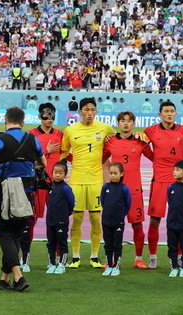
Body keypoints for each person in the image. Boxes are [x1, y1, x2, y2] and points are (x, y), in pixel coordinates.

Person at [0, 106, 46, 292]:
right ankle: (3, 279)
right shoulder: (33, 139)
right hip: (28, 191)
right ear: (23, 123)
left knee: (4, 234)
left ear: (6, 122)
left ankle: (18, 276)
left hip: (5, 191)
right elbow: (43, 162)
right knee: (15, 235)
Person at [61, 97, 116, 269]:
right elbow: (63, 153)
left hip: (95, 181)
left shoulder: (104, 128)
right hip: (76, 181)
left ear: (96, 111)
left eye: (92, 109)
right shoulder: (70, 130)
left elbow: (118, 141)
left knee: (95, 218)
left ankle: (94, 257)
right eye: (86, 109)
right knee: (76, 219)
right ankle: (76, 257)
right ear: (80, 112)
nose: (89, 113)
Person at [144, 101, 183, 268]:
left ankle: (180, 256)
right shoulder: (150, 131)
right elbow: (142, 146)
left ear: (175, 114)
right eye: (166, 111)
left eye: (172, 111)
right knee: (155, 221)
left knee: (179, 221)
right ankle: (153, 257)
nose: (169, 114)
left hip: (178, 182)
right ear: (160, 114)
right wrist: (157, 160)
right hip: (159, 181)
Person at [103, 112, 154, 269]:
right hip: (115, 192)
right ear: (118, 123)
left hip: (134, 190)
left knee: (137, 225)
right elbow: (101, 159)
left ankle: (138, 258)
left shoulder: (140, 142)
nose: (126, 124)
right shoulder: (110, 141)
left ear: (133, 124)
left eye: (129, 121)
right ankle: (110, 259)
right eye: (123, 121)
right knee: (111, 226)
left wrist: (149, 141)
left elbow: (155, 158)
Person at [23, 103, 64, 272]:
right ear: (39, 117)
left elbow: (69, 155)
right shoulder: (31, 135)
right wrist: (45, 151)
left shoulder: (61, 134)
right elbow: (27, 158)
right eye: (46, 116)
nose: (49, 119)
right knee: (30, 220)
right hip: (37, 183)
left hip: (55, 185)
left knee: (56, 221)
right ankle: (24, 259)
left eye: (52, 116)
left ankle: (56, 260)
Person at [100, 163, 132, 276]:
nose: (113, 176)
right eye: (111, 173)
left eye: (115, 173)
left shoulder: (124, 188)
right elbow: (103, 202)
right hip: (106, 221)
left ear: (121, 174)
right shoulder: (105, 187)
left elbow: (128, 204)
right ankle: (109, 265)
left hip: (118, 221)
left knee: (117, 244)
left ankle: (116, 266)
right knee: (108, 244)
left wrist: (120, 215)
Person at [45, 161, 74, 275]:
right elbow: (49, 202)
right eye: (55, 172)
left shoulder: (66, 188)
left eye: (60, 173)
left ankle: (62, 264)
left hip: (61, 221)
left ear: (65, 174)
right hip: (50, 220)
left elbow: (71, 203)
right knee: (51, 243)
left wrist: (65, 214)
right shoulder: (50, 186)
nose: (57, 175)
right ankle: (52, 264)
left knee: (62, 243)